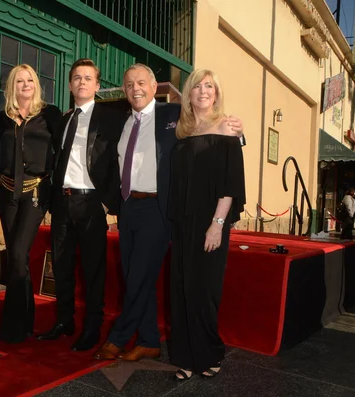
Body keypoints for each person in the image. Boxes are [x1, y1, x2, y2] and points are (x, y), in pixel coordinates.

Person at [93, 64, 244, 361]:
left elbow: (210, 131)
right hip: (128, 208)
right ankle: (149, 340)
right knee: (135, 276)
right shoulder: (122, 122)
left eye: (141, 83)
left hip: (158, 208)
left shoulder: (172, 115)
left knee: (138, 276)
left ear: (153, 87)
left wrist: (238, 132)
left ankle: (119, 336)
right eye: (129, 84)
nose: (135, 88)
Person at [36, 59, 126, 351]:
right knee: (61, 266)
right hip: (63, 201)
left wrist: (106, 203)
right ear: (71, 84)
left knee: (92, 269)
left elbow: (118, 162)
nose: (82, 82)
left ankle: (92, 327)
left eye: (88, 78)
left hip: (91, 203)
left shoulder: (110, 118)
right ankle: (65, 321)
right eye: (77, 77)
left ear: (97, 86)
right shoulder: (63, 119)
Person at [168, 69, 245, 380]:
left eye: (208, 86)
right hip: (182, 221)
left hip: (211, 220)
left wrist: (217, 224)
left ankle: (210, 352)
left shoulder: (227, 127)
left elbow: (231, 183)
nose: (202, 91)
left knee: (205, 290)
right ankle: (185, 356)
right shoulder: (182, 132)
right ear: (188, 93)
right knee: (182, 289)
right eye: (197, 86)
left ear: (216, 93)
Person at [0, 64, 62, 343]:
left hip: (36, 191)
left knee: (19, 252)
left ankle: (13, 324)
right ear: (12, 86)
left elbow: (63, 150)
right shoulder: (1, 118)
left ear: (36, 84)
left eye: (30, 80)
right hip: (6, 191)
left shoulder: (50, 114)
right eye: (20, 81)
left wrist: (59, 189)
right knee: (15, 255)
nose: (26, 84)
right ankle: (24, 319)